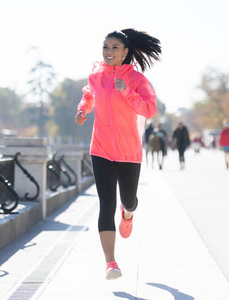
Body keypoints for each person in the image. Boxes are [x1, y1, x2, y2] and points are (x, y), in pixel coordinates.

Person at [75, 29, 161, 280]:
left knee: (129, 200)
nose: (109, 52)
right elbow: (89, 97)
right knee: (106, 204)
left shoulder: (136, 79)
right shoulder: (95, 77)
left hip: (129, 152)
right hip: (100, 150)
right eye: (105, 47)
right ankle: (110, 262)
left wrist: (127, 91)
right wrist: (83, 110)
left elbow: (149, 109)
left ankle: (129, 213)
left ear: (125, 52)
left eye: (114, 48)